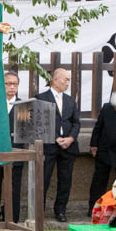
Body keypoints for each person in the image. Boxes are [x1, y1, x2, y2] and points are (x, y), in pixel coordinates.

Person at [37, 68, 79, 222]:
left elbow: (76, 123)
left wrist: (71, 138)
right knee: (43, 179)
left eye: (69, 80)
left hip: (68, 147)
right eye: (66, 79)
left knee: (65, 180)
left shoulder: (70, 100)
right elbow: (39, 123)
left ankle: (60, 210)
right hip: (48, 146)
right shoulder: (41, 98)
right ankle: (38, 210)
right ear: (55, 80)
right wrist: (55, 138)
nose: (68, 82)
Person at [0, 71, 24, 222]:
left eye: (15, 84)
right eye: (8, 84)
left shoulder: (23, 106)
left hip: (16, 153)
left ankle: (12, 219)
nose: (12, 87)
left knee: (14, 189)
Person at [88, 89, 116, 214]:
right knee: (99, 181)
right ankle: (94, 208)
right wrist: (94, 145)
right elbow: (98, 127)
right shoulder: (107, 108)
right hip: (105, 151)